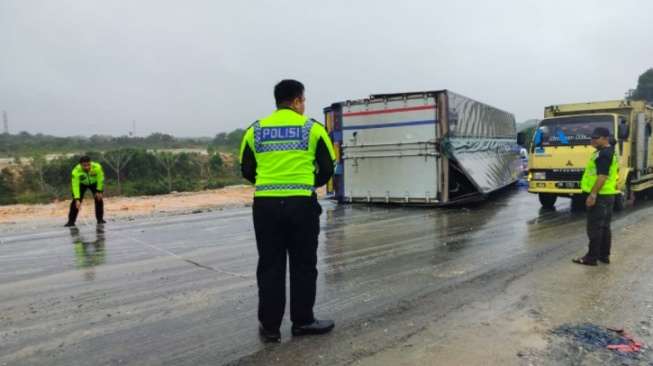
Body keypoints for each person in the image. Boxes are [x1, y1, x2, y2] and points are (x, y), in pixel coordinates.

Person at [239, 79, 336, 342]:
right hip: (301, 205)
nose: (304, 106)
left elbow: (247, 169)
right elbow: (328, 168)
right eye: (303, 101)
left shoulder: (255, 130)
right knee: (303, 264)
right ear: (296, 101)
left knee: (270, 264)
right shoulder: (312, 128)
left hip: (265, 205)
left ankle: (270, 328)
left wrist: (270, 184)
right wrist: (307, 183)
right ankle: (303, 322)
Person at [573, 127, 618, 266]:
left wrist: (592, 195)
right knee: (604, 227)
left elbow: (602, 176)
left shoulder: (603, 154)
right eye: (592, 137)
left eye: (596, 138)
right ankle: (604, 256)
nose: (592, 140)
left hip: (600, 196)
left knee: (594, 228)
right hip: (608, 194)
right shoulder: (607, 152)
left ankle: (591, 258)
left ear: (605, 138)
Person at [64, 156, 106, 227]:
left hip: (94, 183)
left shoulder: (97, 167)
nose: (87, 167)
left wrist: (99, 190)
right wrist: (77, 198)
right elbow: (75, 186)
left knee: (99, 198)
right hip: (81, 184)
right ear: (80, 165)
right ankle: (71, 221)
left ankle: (100, 219)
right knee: (75, 202)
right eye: (84, 165)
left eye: (88, 165)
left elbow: (100, 178)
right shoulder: (76, 171)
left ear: (90, 163)